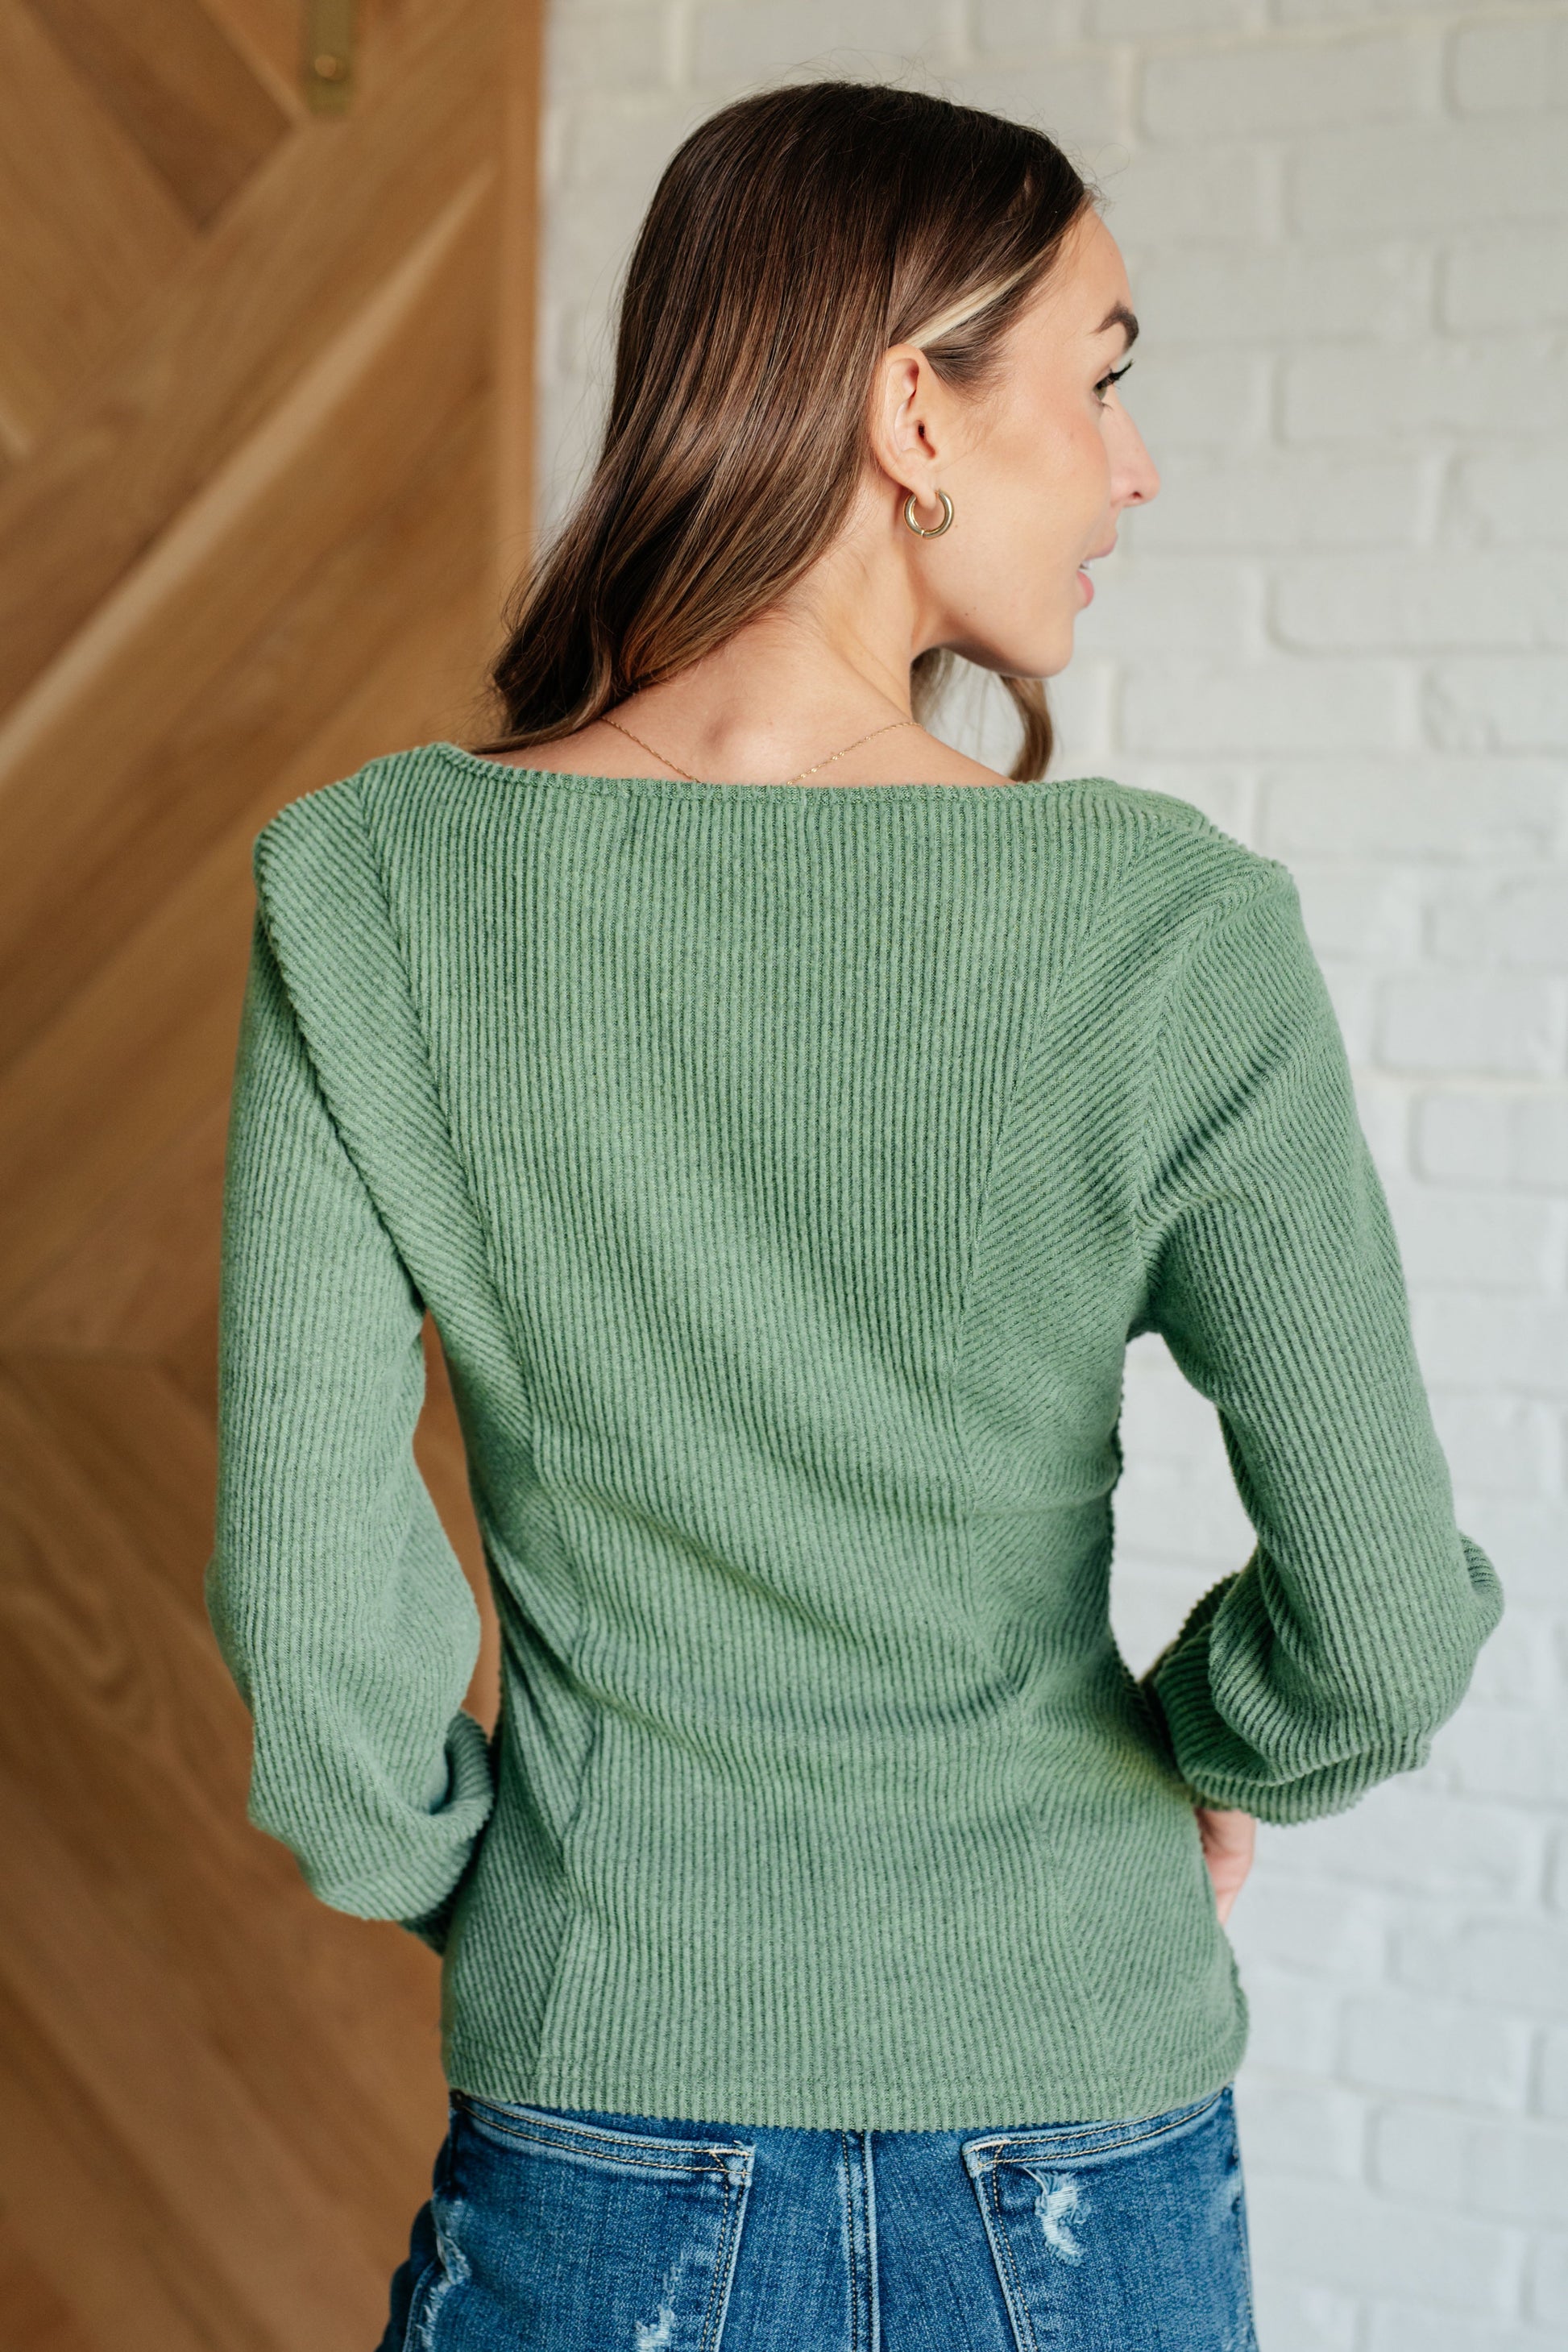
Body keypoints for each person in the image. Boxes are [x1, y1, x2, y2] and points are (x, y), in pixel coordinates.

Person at [205, 79, 1504, 2351]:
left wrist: (518, 1898)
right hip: (1076, 2127)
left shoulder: (374, 888)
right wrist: (1192, 1758)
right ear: (915, 408)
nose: (1133, 466)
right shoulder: (1165, 931)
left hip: (599, 2104)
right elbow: (1379, 1627)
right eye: (1099, 380)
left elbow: (321, 1654)